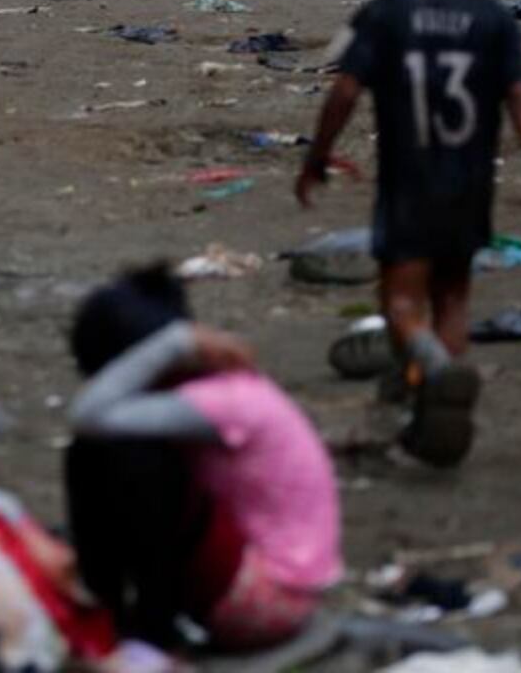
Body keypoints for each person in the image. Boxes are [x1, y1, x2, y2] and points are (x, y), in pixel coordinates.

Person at [296, 0, 521, 467]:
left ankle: (436, 373)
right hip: (471, 182)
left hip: (410, 181)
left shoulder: (387, 15)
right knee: (452, 299)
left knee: (400, 303)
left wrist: (317, 157)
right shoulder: (491, 16)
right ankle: (432, 404)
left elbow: (345, 91)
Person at [66, 267, 341, 654]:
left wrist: (175, 342)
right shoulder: (217, 388)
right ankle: (118, 614)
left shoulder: (215, 400)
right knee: (106, 450)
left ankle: (147, 626)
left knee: (115, 454)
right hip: (281, 589)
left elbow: (87, 415)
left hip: (266, 600)